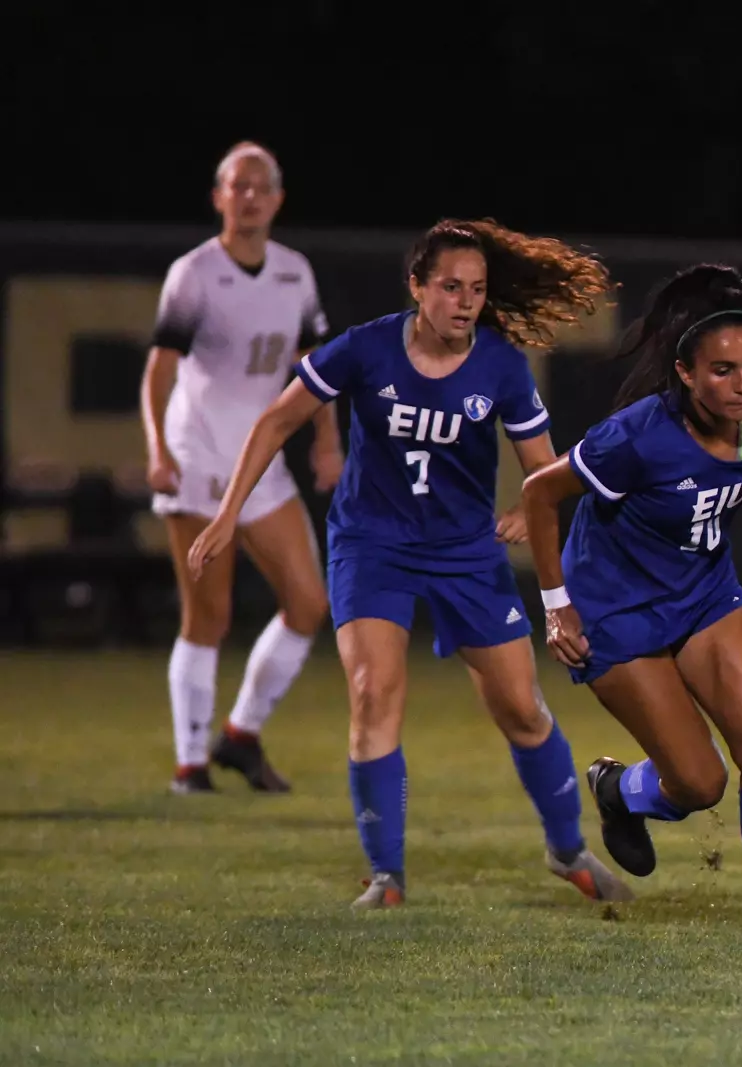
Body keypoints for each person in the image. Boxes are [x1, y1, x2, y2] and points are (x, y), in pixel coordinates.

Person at [187, 218, 632, 909]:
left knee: (520, 708)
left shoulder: (501, 366)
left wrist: (525, 510)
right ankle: (387, 877)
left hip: (465, 554)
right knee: (372, 693)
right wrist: (225, 513)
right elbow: (278, 419)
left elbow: (543, 472)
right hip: (373, 544)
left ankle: (567, 847)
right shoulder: (364, 349)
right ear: (417, 287)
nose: (465, 302)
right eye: (451, 287)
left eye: (477, 290)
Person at [521, 264, 742, 939]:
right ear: (685, 373)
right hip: (615, 612)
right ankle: (619, 790)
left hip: (706, 595)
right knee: (698, 783)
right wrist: (556, 604)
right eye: (722, 370)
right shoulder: (636, 438)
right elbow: (539, 492)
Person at [140, 141, 343, 795]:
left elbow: (316, 369)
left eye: (261, 186)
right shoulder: (193, 272)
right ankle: (189, 762)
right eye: (238, 185)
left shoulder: (294, 271)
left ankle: (242, 734)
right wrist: (158, 451)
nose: (250, 195)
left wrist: (326, 439)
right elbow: (159, 371)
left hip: (261, 464)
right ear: (219, 197)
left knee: (310, 603)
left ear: (278, 198)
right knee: (209, 615)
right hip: (199, 458)